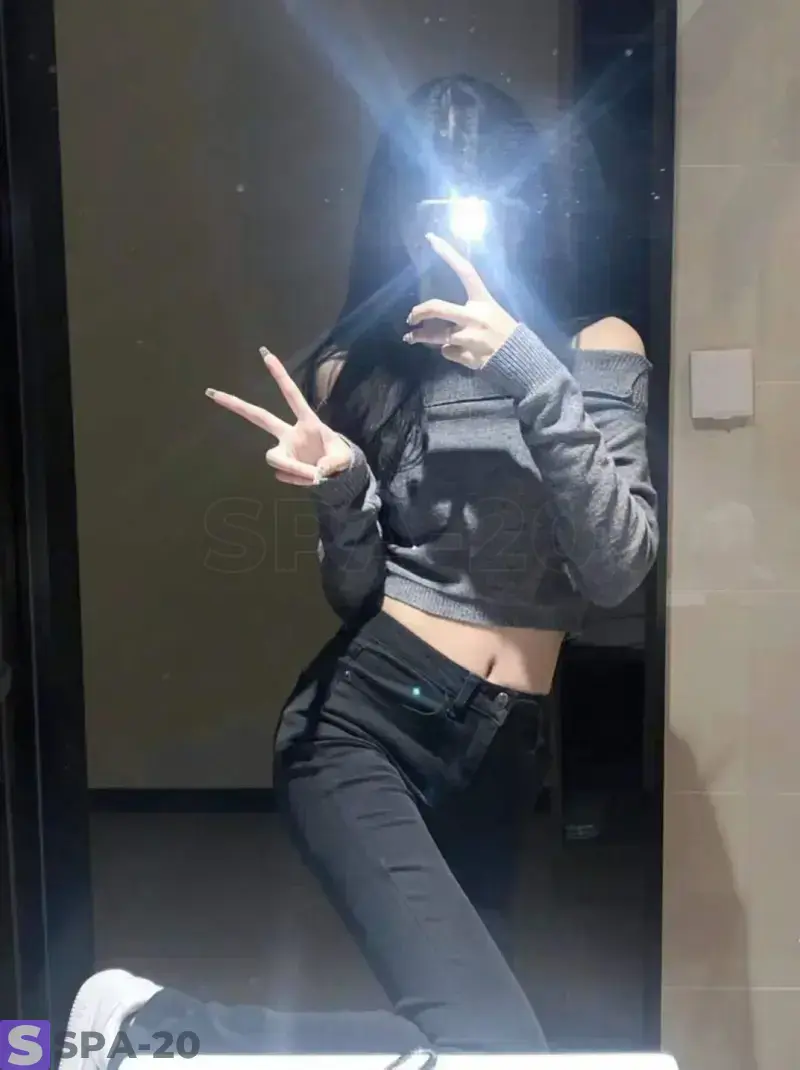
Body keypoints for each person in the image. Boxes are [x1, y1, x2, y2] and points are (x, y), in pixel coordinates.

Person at [62, 75, 658, 1068]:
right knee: (492, 1045)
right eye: (432, 204)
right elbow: (354, 593)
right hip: (362, 726)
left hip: (506, 751)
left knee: (472, 1050)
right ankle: (147, 1028)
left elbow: (617, 567)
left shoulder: (594, 346)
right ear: (398, 217)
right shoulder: (361, 366)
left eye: (484, 198)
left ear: (529, 203)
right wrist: (343, 489)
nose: (459, 232)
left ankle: (150, 1031)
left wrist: (522, 363)